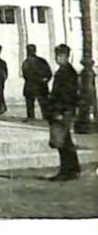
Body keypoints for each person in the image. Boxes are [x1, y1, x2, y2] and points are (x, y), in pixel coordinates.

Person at [46, 44, 81, 181]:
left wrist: (60, 111)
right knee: (65, 140)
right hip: (63, 109)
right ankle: (72, 169)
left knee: (62, 142)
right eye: (57, 56)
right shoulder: (63, 71)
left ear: (66, 57)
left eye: (60, 56)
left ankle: (67, 170)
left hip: (63, 110)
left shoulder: (67, 73)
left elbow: (67, 94)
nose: (57, 58)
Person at [21, 43, 52, 120]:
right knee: (34, 107)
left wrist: (44, 80)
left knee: (37, 107)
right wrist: (44, 80)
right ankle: (41, 119)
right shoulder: (29, 62)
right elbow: (26, 75)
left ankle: (40, 119)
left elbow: (49, 73)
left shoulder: (28, 62)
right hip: (37, 87)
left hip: (36, 87)